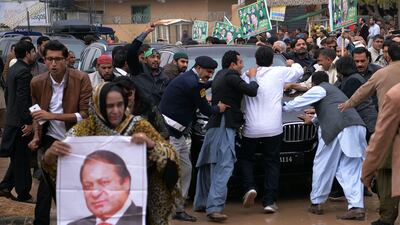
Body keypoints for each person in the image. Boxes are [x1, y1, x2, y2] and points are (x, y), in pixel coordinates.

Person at [46, 82, 179, 225]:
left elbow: (171, 157)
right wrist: (50, 156)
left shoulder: (139, 125)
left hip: (141, 209)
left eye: (120, 104)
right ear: (99, 105)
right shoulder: (85, 129)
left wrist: (152, 146)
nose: (116, 110)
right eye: (109, 106)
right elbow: (63, 170)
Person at [284, 71, 367, 220]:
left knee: (323, 165)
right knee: (350, 168)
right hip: (356, 126)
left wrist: (282, 107)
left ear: (314, 83)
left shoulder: (320, 88)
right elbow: (331, 107)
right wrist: (314, 119)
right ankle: (356, 207)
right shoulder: (336, 91)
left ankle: (317, 203)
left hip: (338, 128)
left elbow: (299, 102)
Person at [28, 40, 93, 225]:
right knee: (46, 183)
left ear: (66, 60)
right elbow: (37, 113)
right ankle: (41, 222)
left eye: (58, 59)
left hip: (75, 137)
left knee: (73, 183)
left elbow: (84, 115)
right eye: (49, 59)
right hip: (50, 138)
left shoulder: (80, 79)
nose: (53, 64)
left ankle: (75, 218)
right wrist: (36, 136)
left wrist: (52, 116)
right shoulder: (37, 82)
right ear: (44, 60)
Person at [159, 56, 228, 222]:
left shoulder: (190, 78)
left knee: (186, 168)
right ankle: (169, 208)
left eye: (212, 73)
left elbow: (202, 87)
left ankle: (178, 207)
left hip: (176, 133)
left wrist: (213, 83)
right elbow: (206, 110)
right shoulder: (194, 84)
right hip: (170, 133)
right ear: (198, 67)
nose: (209, 75)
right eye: (208, 72)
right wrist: (219, 108)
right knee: (174, 171)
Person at [194, 50, 259, 222]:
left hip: (213, 124)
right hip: (225, 124)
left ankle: (201, 203)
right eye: (240, 62)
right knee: (225, 165)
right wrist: (252, 77)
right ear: (232, 64)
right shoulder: (231, 75)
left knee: (207, 164)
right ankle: (214, 208)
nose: (243, 65)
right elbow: (252, 91)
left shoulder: (219, 76)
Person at [339, 43, 400, 225]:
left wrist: (347, 104)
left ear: (388, 57)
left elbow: (362, 92)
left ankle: (387, 217)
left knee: (385, 173)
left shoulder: (381, 73)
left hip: (390, 130)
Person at [238, 47, 303, 213]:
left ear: (256, 60)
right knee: (272, 163)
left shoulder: (246, 75)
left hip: (251, 128)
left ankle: (249, 187)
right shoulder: (279, 72)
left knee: (246, 159)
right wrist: (291, 62)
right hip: (273, 128)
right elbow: (299, 70)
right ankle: (269, 201)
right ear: (272, 60)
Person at [0, 41, 37, 203]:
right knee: (22, 159)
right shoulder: (24, 72)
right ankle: (24, 194)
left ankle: (5, 186)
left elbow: (10, 96)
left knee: (17, 158)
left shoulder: (14, 69)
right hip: (20, 124)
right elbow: (24, 100)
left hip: (12, 120)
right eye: (34, 51)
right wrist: (28, 122)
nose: (35, 54)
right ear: (28, 53)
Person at [68, 150, 143, 225]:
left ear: (125, 183)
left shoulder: (146, 218)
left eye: (104, 182)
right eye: (88, 186)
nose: (95, 193)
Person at [361, 82, 400, 225]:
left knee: (386, 180)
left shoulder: (395, 94)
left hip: (392, 153)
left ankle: (387, 218)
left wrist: (367, 171)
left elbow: (381, 135)